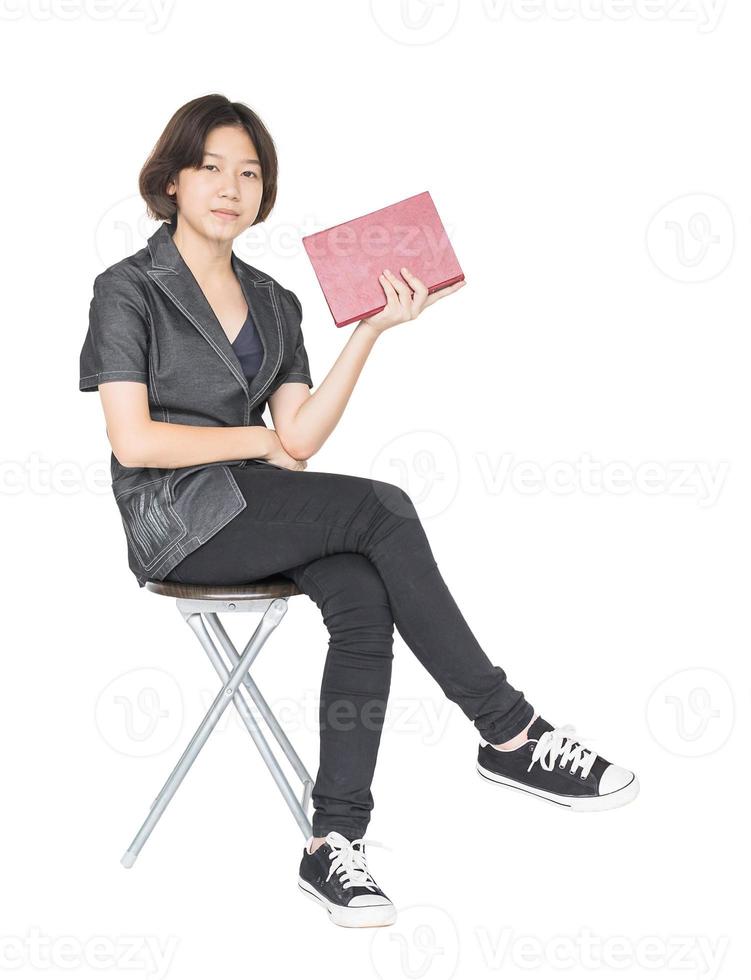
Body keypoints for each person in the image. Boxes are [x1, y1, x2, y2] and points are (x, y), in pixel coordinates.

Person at [82, 94, 639, 930]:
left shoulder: (274, 301)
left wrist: (371, 332)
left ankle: (332, 845)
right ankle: (508, 731)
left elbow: (297, 438)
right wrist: (251, 442)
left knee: (359, 587)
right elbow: (133, 443)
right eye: (211, 168)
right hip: (176, 520)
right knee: (383, 508)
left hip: (256, 503)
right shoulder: (128, 287)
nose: (231, 187)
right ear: (170, 181)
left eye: (250, 173)